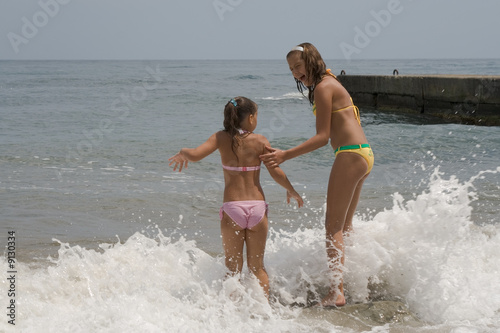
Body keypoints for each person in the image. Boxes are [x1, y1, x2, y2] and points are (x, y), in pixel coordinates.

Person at [259, 43, 374, 307]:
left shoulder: (323, 87)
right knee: (344, 227)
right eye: (291, 69)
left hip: (350, 154)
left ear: (311, 61)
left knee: (332, 227)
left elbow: (322, 137)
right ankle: (356, 281)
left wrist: (285, 154)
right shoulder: (329, 81)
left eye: (298, 66)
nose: (295, 73)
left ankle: (337, 291)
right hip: (363, 154)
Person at [168, 96, 304, 299]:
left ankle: (231, 317)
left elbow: (195, 155)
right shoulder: (260, 141)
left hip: (233, 209)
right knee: (258, 267)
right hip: (257, 209)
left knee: (233, 269)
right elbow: (275, 171)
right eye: (256, 115)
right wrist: (290, 189)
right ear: (250, 118)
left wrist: (182, 152)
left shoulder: (220, 138)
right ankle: (265, 313)